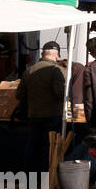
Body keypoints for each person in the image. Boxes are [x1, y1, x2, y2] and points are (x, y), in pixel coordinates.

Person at [14, 41, 66, 174]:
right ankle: (46, 177)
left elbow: (19, 94)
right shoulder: (57, 70)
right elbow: (60, 93)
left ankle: (30, 176)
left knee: (32, 146)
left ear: (43, 53)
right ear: (57, 55)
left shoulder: (30, 70)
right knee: (49, 148)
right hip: (53, 115)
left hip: (34, 115)